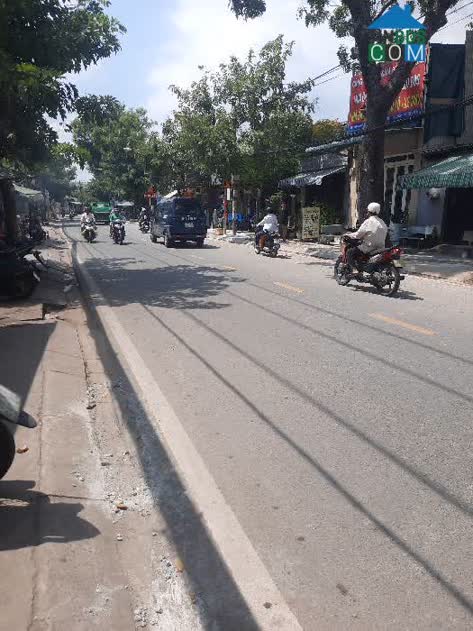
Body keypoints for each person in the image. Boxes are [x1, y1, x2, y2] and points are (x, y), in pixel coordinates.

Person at [346, 202, 388, 275]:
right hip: (381, 248)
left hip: (369, 247)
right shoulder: (382, 222)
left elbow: (358, 235)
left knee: (350, 252)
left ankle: (354, 269)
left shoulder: (368, 222)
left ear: (368, 211)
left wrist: (348, 235)